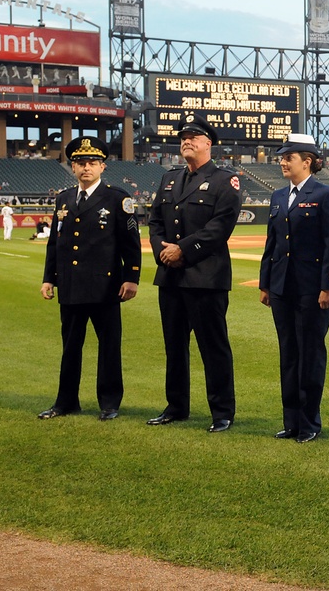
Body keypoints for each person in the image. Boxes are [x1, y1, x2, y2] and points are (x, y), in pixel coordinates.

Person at [146, 114, 242, 433]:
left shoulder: (225, 180)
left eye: (193, 137)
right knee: (174, 346)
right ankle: (176, 406)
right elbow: (155, 221)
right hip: (171, 277)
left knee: (213, 347)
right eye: (183, 137)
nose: (186, 141)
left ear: (207, 143)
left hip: (206, 277)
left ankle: (222, 412)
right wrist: (163, 250)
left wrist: (182, 250)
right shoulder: (169, 178)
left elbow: (220, 227)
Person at [38, 137, 141, 421]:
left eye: (92, 163)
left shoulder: (117, 198)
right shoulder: (64, 198)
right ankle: (66, 402)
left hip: (105, 286)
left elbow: (131, 243)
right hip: (70, 285)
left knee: (109, 346)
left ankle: (109, 403)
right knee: (70, 347)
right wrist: (49, 278)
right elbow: (55, 243)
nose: (86, 168)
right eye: (80, 163)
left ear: (102, 167)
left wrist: (131, 277)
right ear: (72, 167)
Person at [259, 134, 329, 444]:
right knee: (289, 354)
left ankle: (309, 423)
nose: (282, 162)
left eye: (288, 157)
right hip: (281, 287)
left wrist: (328, 286)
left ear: (307, 162)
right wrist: (265, 283)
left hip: (311, 289)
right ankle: (291, 422)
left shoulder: (325, 194)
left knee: (310, 355)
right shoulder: (278, 196)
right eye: (282, 157)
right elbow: (271, 243)